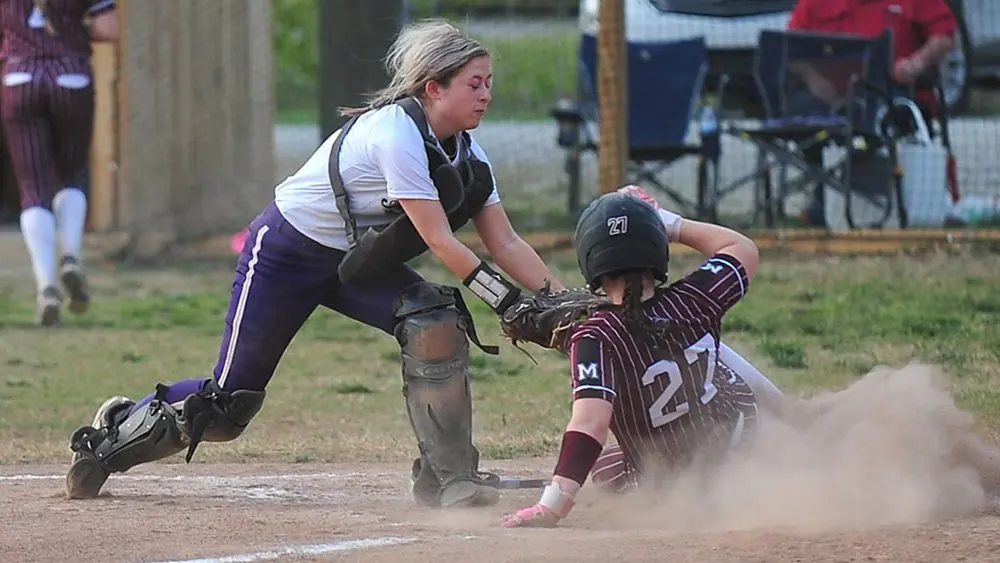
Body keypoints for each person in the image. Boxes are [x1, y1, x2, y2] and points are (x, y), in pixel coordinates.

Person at [64, 18, 565, 510]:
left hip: (353, 263)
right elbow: (439, 240)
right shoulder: (397, 135)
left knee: (432, 320)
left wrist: (562, 303)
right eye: (474, 84)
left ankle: (449, 478)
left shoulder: (468, 155)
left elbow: (507, 242)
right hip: (286, 253)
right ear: (433, 87)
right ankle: (115, 432)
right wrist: (508, 301)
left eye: (489, 84)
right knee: (228, 407)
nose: (486, 95)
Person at [502, 190, 763, 528]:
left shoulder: (595, 336)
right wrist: (672, 223)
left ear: (590, 262)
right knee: (728, 382)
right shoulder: (697, 296)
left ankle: (701, 488)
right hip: (741, 440)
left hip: (673, 476)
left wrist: (552, 505)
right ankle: (779, 440)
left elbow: (589, 424)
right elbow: (742, 248)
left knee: (606, 472)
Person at [786, 0, 958, 227]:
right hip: (830, 96)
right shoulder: (814, 4)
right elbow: (790, 48)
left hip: (893, 91)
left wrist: (916, 63)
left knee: (872, 119)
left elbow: (944, 36)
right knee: (802, 116)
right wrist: (814, 79)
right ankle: (828, 193)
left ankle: (863, 201)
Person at [0, 0, 119, 325]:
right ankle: (71, 255)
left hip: (20, 76)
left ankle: (46, 285)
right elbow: (108, 28)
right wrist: (70, 30)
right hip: (71, 76)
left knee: (32, 186)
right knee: (70, 174)